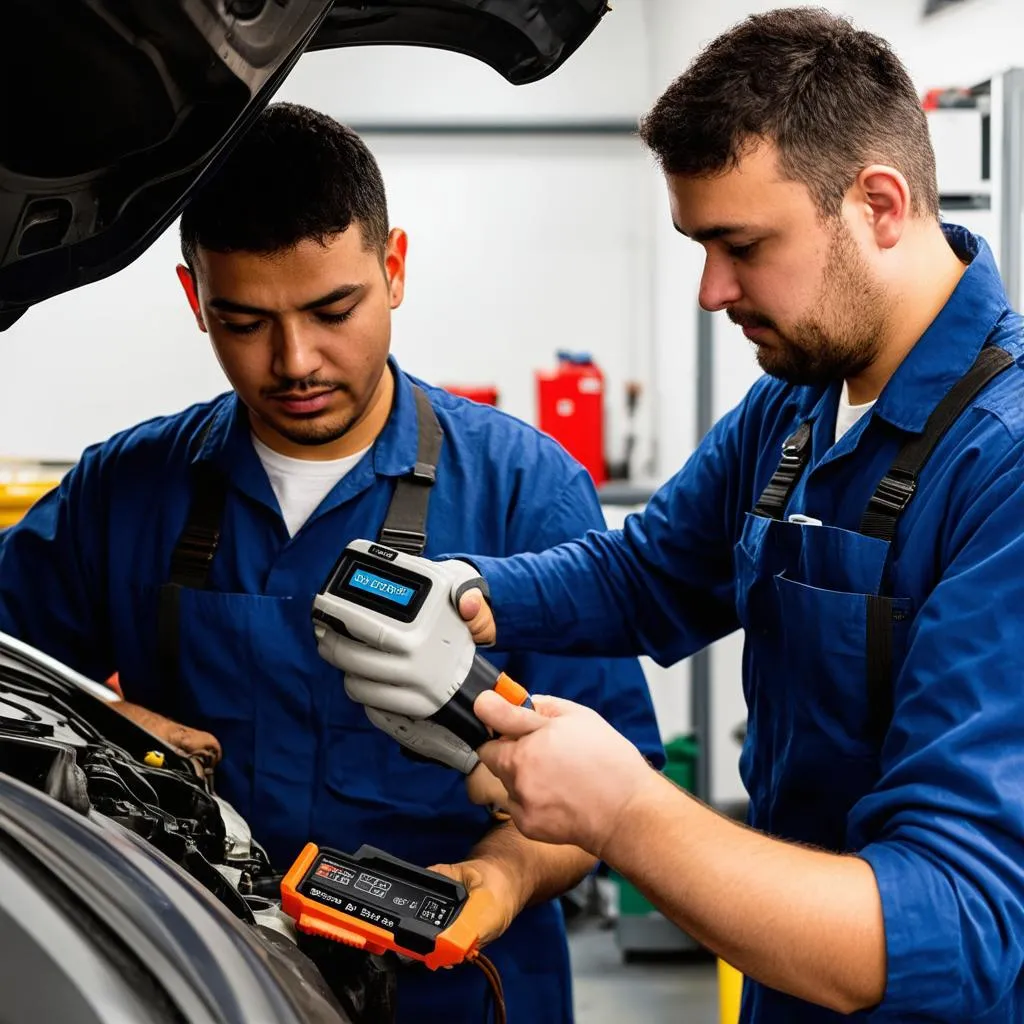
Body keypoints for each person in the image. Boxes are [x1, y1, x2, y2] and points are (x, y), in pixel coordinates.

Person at [330, 9, 1024, 1023]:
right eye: (700, 245)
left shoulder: (1000, 466)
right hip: (782, 977)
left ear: (878, 204)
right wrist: (471, 593)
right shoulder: (797, 400)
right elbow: (648, 575)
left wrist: (621, 810)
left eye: (739, 245)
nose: (709, 291)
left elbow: (956, 922)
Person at [0, 102, 663, 1023]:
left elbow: (617, 775)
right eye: (244, 321)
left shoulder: (526, 489)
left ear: (392, 269)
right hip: (202, 985)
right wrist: (107, 716)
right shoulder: (125, 491)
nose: (295, 360)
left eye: (332, 309)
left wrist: (502, 878)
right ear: (195, 300)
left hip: (453, 996)